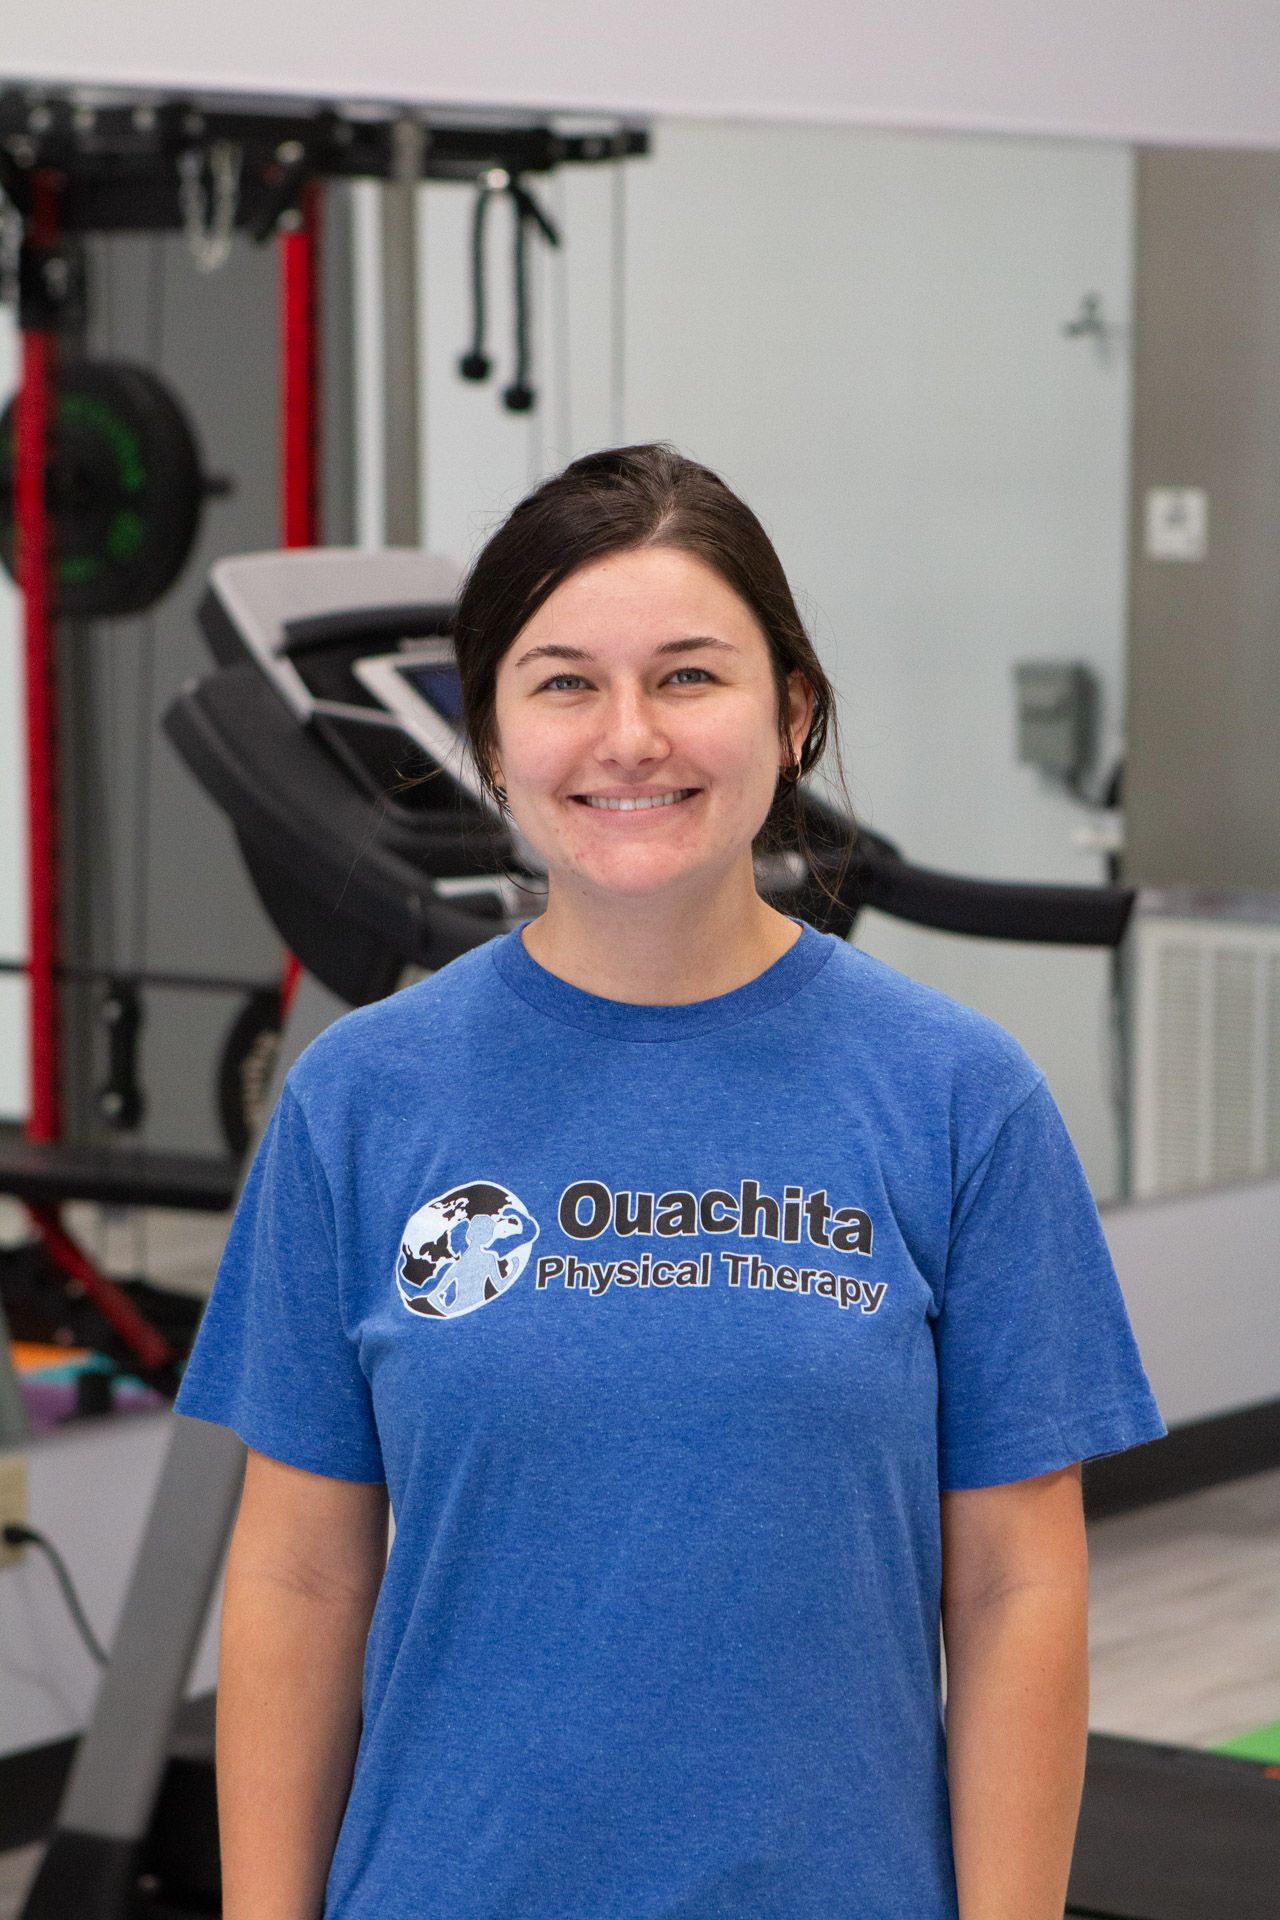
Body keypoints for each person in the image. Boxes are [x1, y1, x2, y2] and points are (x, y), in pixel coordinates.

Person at [174, 442, 1167, 1920]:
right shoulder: (360, 1102)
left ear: (796, 711)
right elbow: (300, 1581)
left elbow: (1019, 1586)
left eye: (690, 676)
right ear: (493, 737)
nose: (627, 736)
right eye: (563, 681)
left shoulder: (960, 1098)